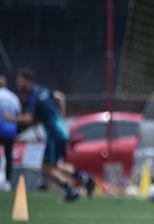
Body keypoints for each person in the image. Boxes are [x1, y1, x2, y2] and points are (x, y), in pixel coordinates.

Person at [6, 68, 93, 200]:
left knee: (46, 168)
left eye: (20, 81)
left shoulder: (32, 96)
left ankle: (70, 190)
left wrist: (11, 119)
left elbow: (28, 118)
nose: (17, 84)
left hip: (55, 135)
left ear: (27, 81)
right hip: (60, 132)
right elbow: (60, 97)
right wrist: (61, 118)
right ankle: (83, 178)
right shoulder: (41, 89)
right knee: (54, 165)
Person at [0, 75, 21, 190]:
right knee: (9, 157)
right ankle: (7, 182)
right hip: (10, 131)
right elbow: (18, 113)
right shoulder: (13, 97)